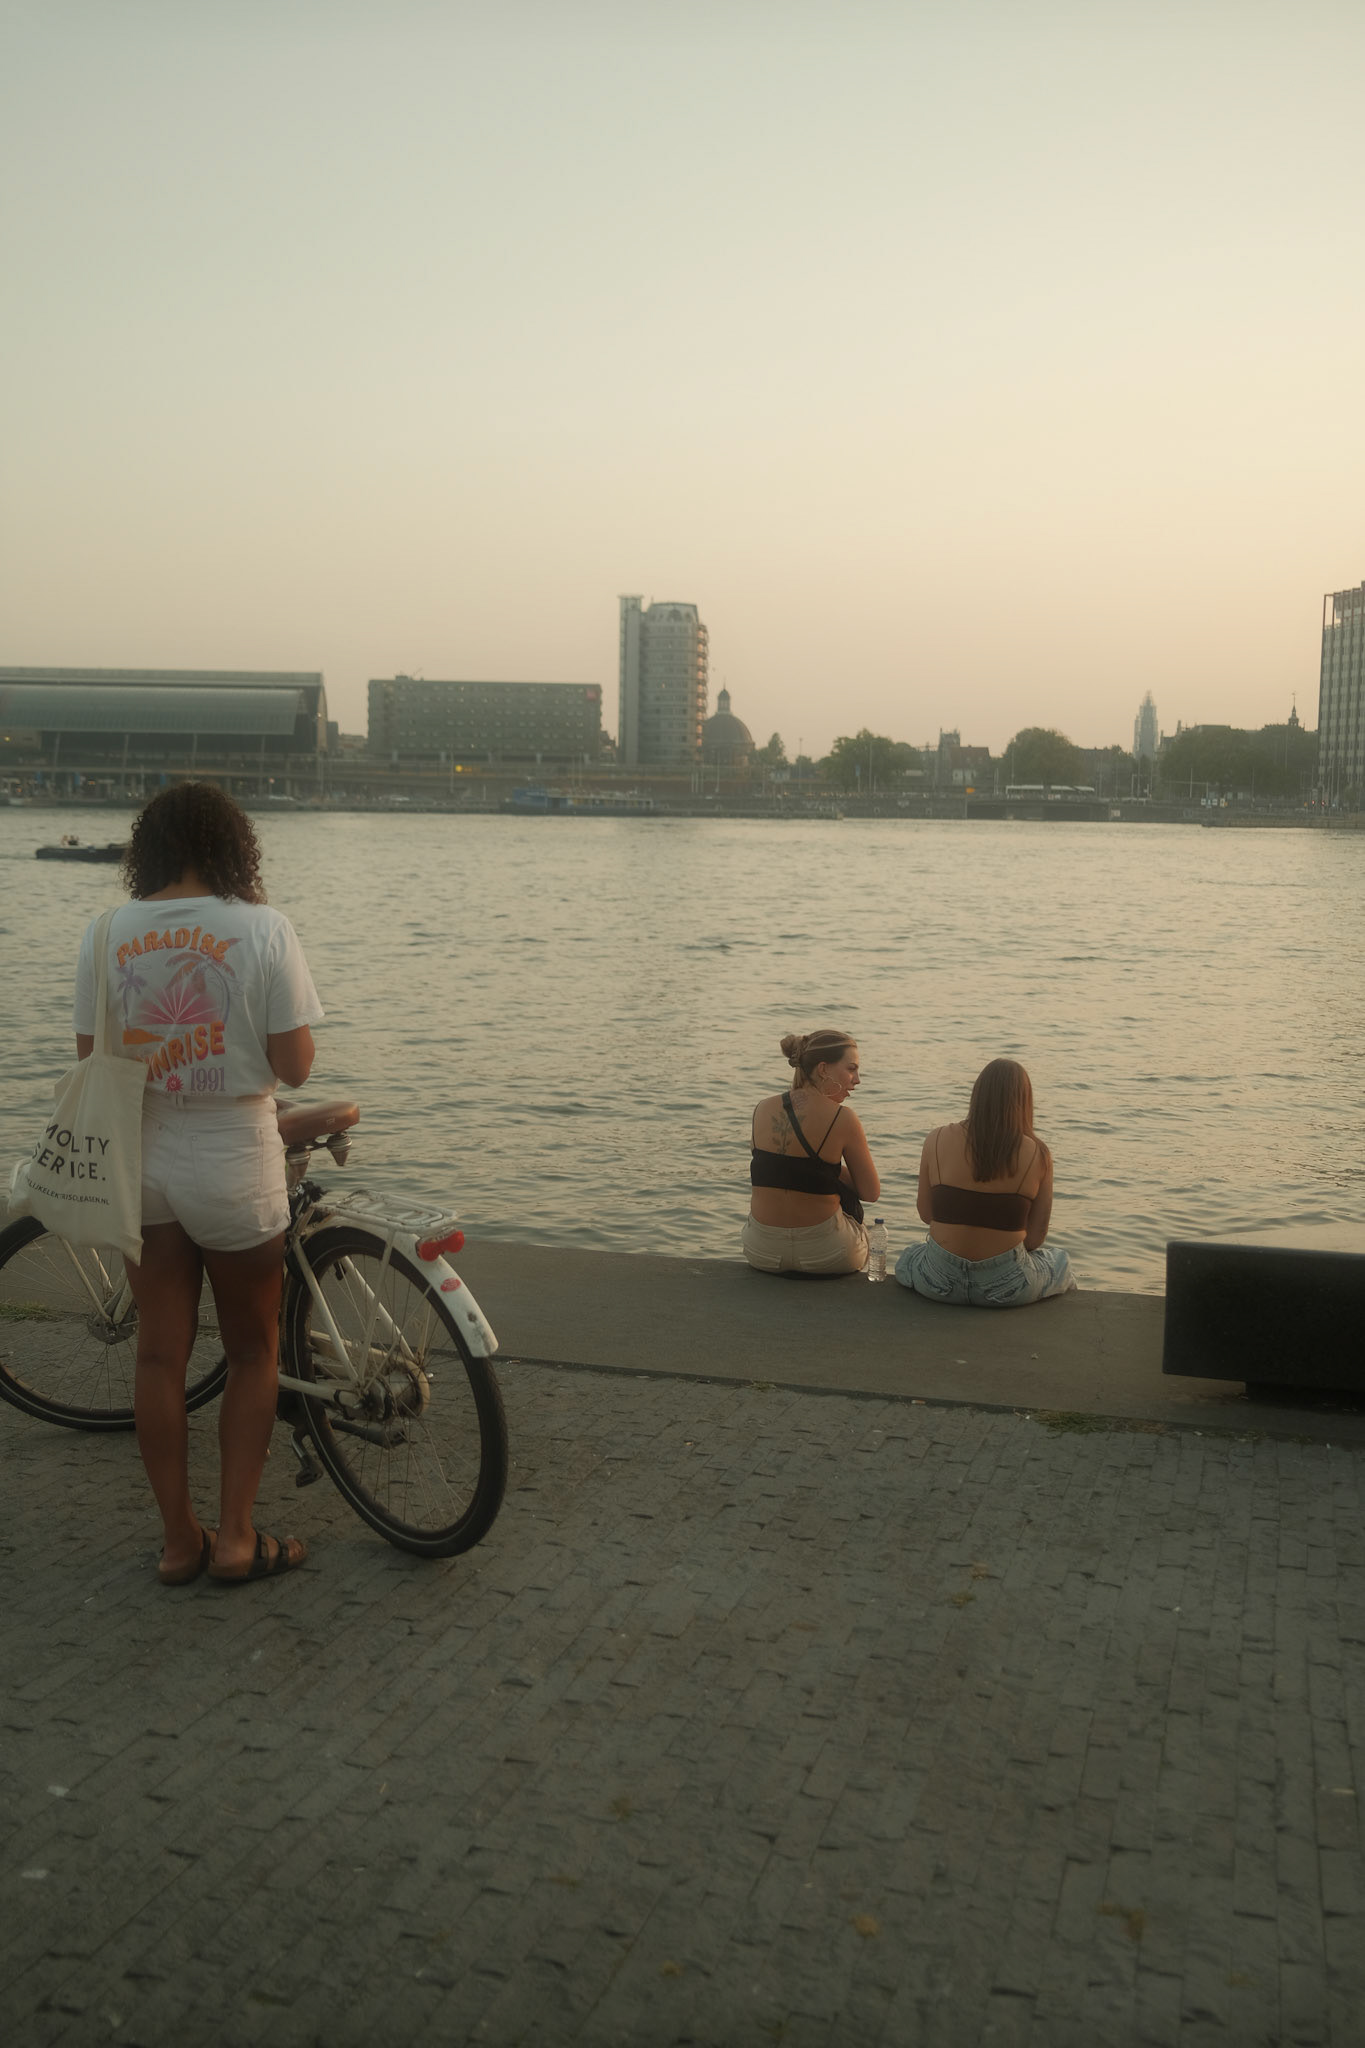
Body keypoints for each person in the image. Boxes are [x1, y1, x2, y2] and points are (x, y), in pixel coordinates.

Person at [72, 783, 324, 1586]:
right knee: (251, 1350)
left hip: (142, 1156)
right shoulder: (262, 928)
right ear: (232, 847)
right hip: (232, 1155)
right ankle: (239, 1538)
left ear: (147, 848)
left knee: (157, 1356)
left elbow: (91, 1061)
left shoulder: (106, 932)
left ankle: (180, 1542)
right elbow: (294, 1066)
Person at [895, 1058, 1074, 1308]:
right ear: (1024, 1101)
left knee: (910, 1254)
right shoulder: (1038, 1153)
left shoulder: (936, 1138)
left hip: (937, 1281)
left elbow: (926, 1214)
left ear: (977, 1095)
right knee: (1061, 1261)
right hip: (1006, 1288)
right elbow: (1034, 1239)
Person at [743, 1028, 880, 1275]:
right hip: (827, 1255)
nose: (857, 1079)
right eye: (851, 1069)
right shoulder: (843, 1118)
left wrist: (822, 1167)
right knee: (870, 1236)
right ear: (823, 1069)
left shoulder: (762, 1109)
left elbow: (780, 1168)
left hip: (761, 1251)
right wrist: (829, 1168)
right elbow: (870, 1192)